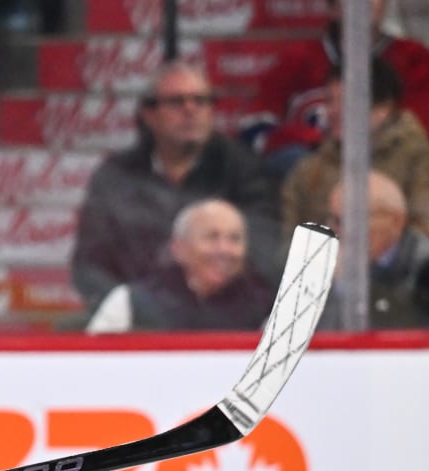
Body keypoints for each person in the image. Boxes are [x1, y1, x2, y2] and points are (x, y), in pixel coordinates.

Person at [71, 61, 278, 314]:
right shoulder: (116, 176)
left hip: (225, 318)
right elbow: (90, 265)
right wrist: (128, 306)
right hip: (139, 319)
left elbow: (264, 250)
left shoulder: (243, 169)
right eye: (177, 102)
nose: (190, 110)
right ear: (149, 114)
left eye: (200, 101)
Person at [281, 61, 429, 250]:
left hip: (394, 269)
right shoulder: (311, 168)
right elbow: (287, 246)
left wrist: (375, 251)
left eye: (346, 101)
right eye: (330, 100)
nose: (332, 111)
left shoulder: (420, 161)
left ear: (384, 108)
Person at [256, 0, 429, 169]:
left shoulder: (413, 57)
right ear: (332, 9)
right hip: (314, 170)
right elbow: (258, 127)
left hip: (386, 168)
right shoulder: (297, 59)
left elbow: (419, 131)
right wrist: (314, 141)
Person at [85, 199, 275, 334]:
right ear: (179, 248)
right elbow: (94, 365)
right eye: (211, 237)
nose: (224, 249)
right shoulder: (131, 301)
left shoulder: (267, 308)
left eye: (234, 239)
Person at [326, 171, 429, 328]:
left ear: (396, 221)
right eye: (334, 220)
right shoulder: (330, 263)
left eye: (353, 220)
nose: (339, 230)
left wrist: (347, 286)